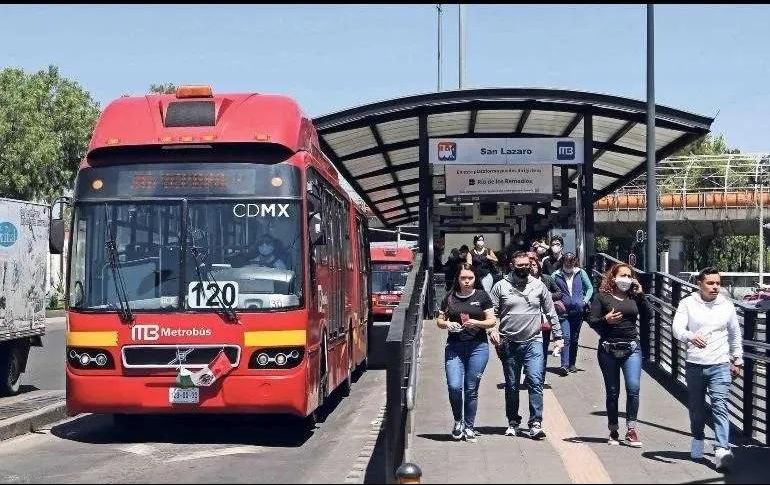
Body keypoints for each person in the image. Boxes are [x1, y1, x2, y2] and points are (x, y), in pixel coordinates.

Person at [672, 267, 743, 471]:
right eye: (710, 283)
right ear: (699, 284)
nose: (715, 287)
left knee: (720, 404)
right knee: (696, 408)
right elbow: (677, 328)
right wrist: (690, 336)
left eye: (718, 283)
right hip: (695, 364)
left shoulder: (726, 305)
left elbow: (734, 334)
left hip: (720, 363)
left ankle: (722, 449)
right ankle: (698, 437)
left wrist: (737, 360)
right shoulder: (688, 303)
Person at [488, 250, 564, 439]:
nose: (524, 268)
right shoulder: (500, 286)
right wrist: (493, 330)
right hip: (509, 342)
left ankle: (535, 423)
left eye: (527, 265)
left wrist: (558, 336)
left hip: (534, 341)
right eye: (520, 265)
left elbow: (550, 311)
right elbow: (491, 313)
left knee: (535, 381)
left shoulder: (539, 286)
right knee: (512, 385)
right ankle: (513, 421)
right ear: (512, 266)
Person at [589, 263, 650, 447]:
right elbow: (592, 320)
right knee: (612, 391)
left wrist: (641, 295)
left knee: (633, 387)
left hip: (632, 348)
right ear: (613, 277)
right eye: (623, 275)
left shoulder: (634, 297)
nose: (626, 279)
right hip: (608, 348)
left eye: (629, 276)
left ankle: (631, 429)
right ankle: (613, 429)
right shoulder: (602, 297)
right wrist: (605, 320)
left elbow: (649, 316)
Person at [436, 264, 497, 442]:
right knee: (454, 386)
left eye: (470, 278)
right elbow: (440, 320)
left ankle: (469, 426)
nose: (467, 281)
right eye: (463, 278)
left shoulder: (482, 296)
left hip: (477, 347)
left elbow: (491, 321)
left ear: (475, 279)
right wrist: (448, 324)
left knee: (471, 388)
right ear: (458, 279)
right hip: (454, 347)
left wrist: (476, 323)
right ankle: (458, 421)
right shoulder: (450, 297)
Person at [552, 252, 594, 376]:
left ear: (574, 261)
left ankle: (572, 363)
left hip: (578, 311)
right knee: (566, 337)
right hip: (563, 312)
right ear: (563, 261)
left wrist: (584, 301)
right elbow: (551, 289)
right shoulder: (556, 275)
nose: (569, 264)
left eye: (571, 261)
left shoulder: (580, 273)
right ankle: (564, 365)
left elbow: (590, 288)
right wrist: (556, 301)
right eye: (567, 261)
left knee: (574, 338)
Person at [528, 251, 565, 386]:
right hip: (528, 321)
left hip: (544, 320)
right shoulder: (522, 281)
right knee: (529, 350)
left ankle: (540, 378)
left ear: (539, 266)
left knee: (542, 350)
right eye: (529, 265)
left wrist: (548, 294)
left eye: (534, 265)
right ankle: (529, 376)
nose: (532, 267)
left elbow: (559, 293)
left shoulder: (547, 279)